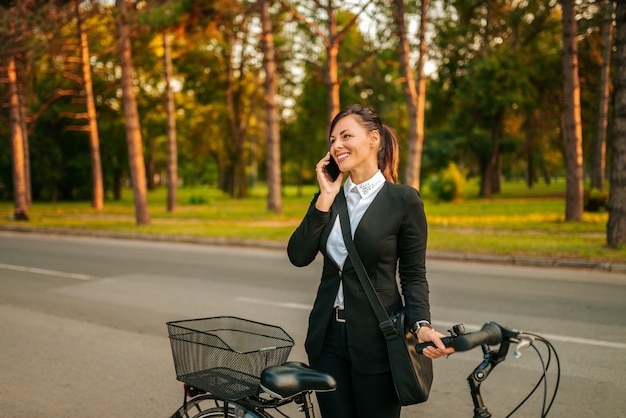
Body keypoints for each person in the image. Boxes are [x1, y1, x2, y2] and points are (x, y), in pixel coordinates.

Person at [287, 104, 454, 418]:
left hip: (378, 340)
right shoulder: (329, 197)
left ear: (374, 139)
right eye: (332, 139)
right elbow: (298, 255)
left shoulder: (403, 200)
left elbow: (414, 273)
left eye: (346, 136)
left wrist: (421, 325)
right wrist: (324, 195)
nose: (336, 145)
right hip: (327, 340)